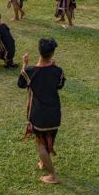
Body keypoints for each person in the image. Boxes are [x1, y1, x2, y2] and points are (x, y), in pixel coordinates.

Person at [18, 38, 65, 184]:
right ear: (52, 54)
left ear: (40, 52)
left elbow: (21, 83)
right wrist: (53, 67)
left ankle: (53, 175)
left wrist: (24, 64)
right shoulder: (57, 71)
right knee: (49, 138)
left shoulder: (30, 71)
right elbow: (59, 85)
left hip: (38, 115)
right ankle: (44, 162)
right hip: (54, 113)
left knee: (40, 143)